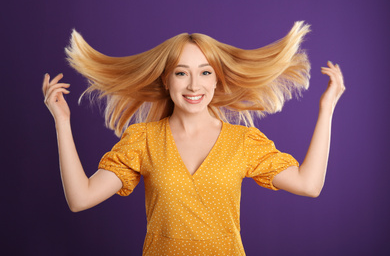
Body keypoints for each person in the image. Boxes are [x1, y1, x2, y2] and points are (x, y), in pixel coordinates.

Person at [42, 21, 345, 255]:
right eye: (181, 73)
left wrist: (327, 108)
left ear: (216, 80)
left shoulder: (243, 142)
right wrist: (62, 122)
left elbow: (309, 185)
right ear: (166, 79)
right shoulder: (142, 140)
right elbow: (80, 199)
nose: (193, 85)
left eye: (204, 72)